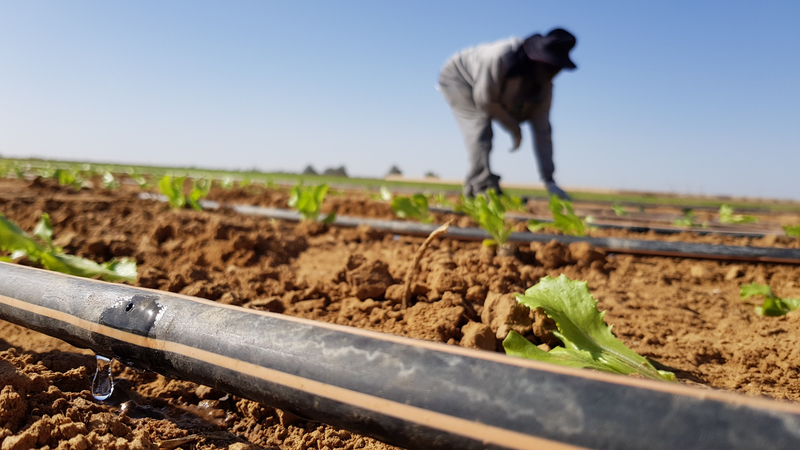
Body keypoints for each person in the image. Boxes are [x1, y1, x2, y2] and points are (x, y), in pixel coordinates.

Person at [438, 28, 577, 199]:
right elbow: (486, 102)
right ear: (538, 60)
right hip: (460, 79)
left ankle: (486, 188)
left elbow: (543, 131)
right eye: (549, 66)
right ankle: (480, 188)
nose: (553, 73)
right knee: (479, 128)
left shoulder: (544, 88)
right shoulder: (498, 58)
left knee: (507, 118)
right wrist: (514, 129)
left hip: (492, 92)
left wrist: (550, 180)